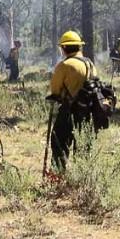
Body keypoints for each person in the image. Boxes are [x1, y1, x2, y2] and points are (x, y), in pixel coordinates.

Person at [48, 31, 96, 170]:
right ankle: (84, 179)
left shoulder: (64, 66)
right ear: (79, 47)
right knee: (84, 148)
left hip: (69, 112)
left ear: (63, 48)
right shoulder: (89, 63)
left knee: (58, 143)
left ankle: (58, 177)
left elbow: (55, 90)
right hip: (88, 112)